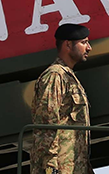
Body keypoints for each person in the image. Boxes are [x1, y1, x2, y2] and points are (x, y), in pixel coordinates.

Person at [30, 23, 94, 174]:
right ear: (68, 45)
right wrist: (50, 167)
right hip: (59, 168)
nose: (89, 47)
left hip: (74, 167)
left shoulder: (69, 77)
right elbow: (46, 123)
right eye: (84, 42)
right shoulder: (55, 76)